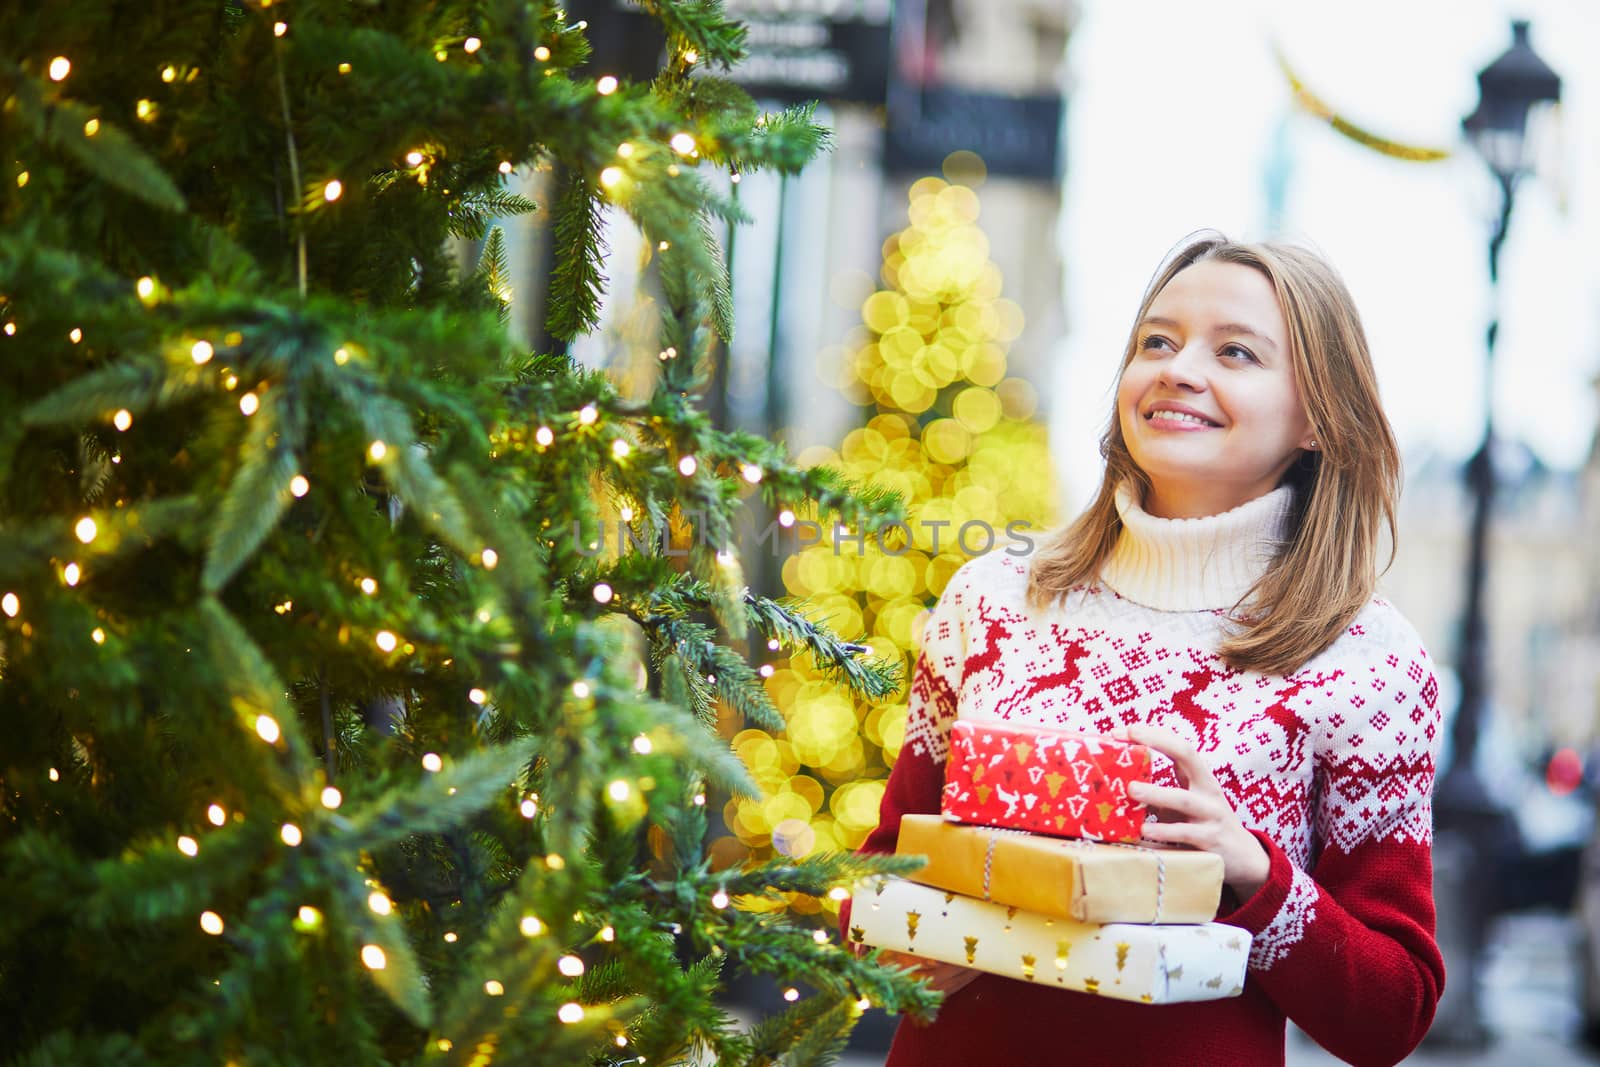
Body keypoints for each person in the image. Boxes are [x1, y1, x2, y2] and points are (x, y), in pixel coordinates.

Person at [846, 234, 1444, 1066]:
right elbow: (874, 883)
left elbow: (1392, 1012)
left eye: (1235, 351)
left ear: (1317, 417)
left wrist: (1251, 874)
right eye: (1155, 341)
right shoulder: (992, 599)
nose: (1178, 368)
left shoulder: (1368, 660)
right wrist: (916, 942)